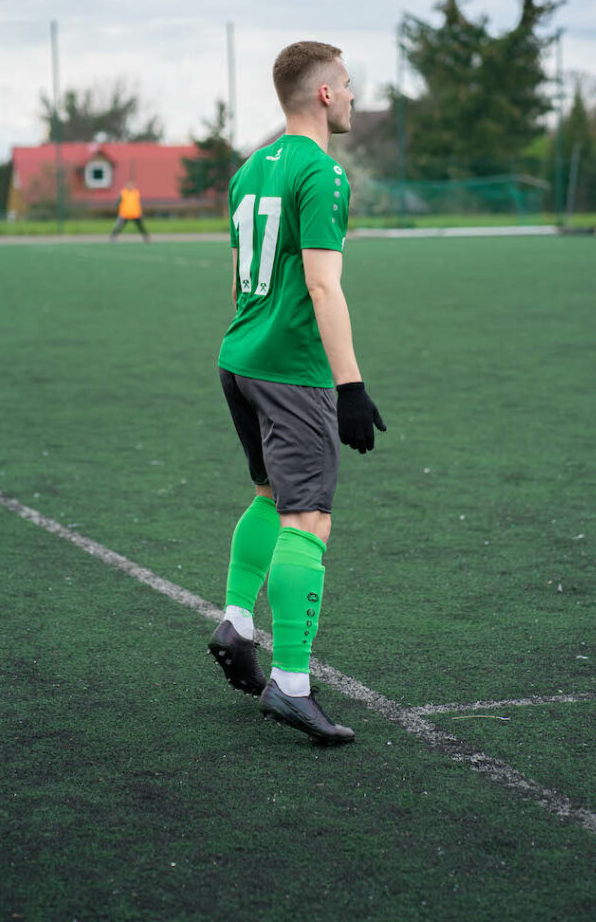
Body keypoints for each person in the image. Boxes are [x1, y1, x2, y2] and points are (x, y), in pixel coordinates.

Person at [208, 41, 386, 744]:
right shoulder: (322, 171)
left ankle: (236, 620)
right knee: (307, 519)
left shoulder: (250, 168)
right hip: (289, 370)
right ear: (322, 94)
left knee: (267, 496)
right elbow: (321, 283)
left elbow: (236, 280)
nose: (352, 95)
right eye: (346, 83)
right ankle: (289, 685)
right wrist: (351, 386)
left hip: (239, 357)